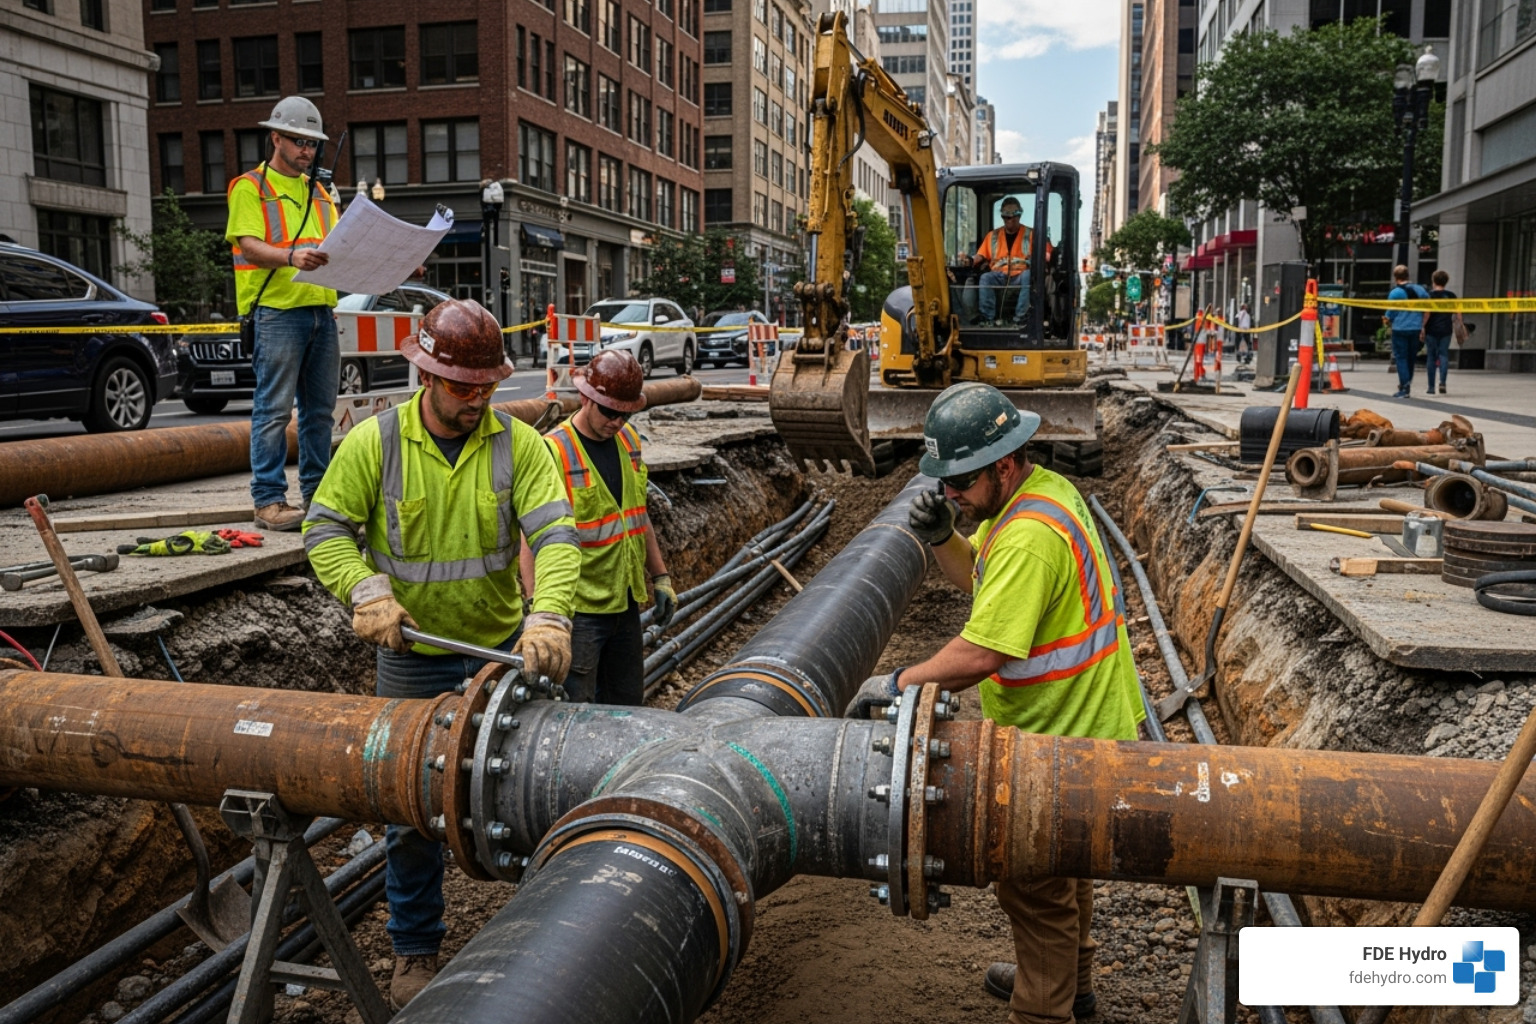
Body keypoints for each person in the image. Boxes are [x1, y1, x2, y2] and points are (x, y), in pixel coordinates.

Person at [301, 299, 579, 1010]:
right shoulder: (375, 443)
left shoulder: (520, 446)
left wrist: (549, 614)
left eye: (487, 386)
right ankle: (415, 947)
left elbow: (555, 537)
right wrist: (366, 591)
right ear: (425, 375)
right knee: (409, 812)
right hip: (414, 656)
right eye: (463, 386)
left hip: (499, 652)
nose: (477, 400)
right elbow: (325, 529)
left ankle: (541, 937)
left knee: (530, 790)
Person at [848, 382, 1142, 1024]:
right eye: (944, 481)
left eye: (960, 481)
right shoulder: (1041, 495)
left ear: (1003, 465)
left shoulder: (1028, 537)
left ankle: (1042, 1008)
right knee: (1068, 867)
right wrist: (943, 538)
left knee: (1033, 884)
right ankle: (1072, 984)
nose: (950, 492)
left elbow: (982, 651)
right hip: (1084, 720)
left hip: (1061, 735)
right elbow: (984, 583)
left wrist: (899, 682)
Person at [522, 350, 676, 704]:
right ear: (585, 398)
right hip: (580, 610)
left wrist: (661, 577)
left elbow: (637, 515)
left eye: (626, 414)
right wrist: (538, 609)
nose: (617, 422)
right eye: (609, 412)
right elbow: (530, 539)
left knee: (626, 703)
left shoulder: (629, 441)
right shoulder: (555, 451)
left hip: (624, 600)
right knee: (576, 710)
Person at [227, 96, 342, 532]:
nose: (307, 150)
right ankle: (269, 500)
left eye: (313, 144)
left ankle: (318, 497)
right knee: (273, 411)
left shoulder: (321, 191)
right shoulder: (250, 187)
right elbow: (249, 246)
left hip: (321, 312)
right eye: (299, 141)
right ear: (275, 138)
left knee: (319, 413)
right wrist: (291, 258)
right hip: (276, 312)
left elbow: (342, 244)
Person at [971, 196, 1035, 326]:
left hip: (1020, 275)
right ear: (1002, 216)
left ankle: (1020, 317)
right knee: (985, 278)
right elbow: (980, 255)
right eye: (1007, 215)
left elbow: (1046, 254)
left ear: (1020, 215)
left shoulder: (1031, 234)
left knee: (1028, 276)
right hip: (999, 276)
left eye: (1014, 214)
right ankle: (987, 318)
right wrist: (968, 260)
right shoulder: (992, 236)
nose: (1010, 218)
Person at [1383, 265, 1430, 398]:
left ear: (1395, 277)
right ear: (1408, 275)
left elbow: (1389, 314)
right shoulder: (1420, 290)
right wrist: (1423, 326)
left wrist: (1387, 322)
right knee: (1411, 357)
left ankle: (1404, 386)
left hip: (1400, 328)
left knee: (1401, 357)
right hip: (1415, 328)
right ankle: (1406, 383)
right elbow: (1427, 310)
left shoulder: (1395, 293)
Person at [1424, 269, 1456, 395]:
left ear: (1433, 281)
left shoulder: (1429, 296)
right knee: (1443, 355)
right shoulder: (1451, 295)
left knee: (1431, 357)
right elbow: (1458, 313)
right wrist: (1459, 324)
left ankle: (1431, 387)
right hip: (1446, 329)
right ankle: (1442, 382)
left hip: (1431, 329)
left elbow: (1427, 313)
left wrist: (1422, 326)